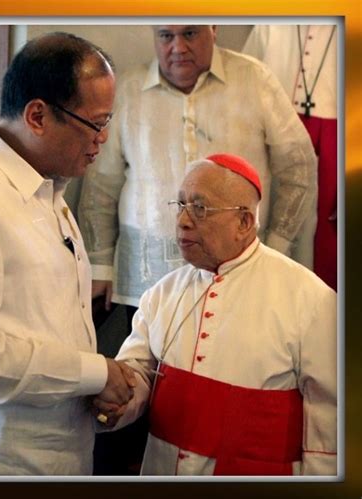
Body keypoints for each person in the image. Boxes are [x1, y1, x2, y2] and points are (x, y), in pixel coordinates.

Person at [0, 32, 137, 476]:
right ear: (37, 115)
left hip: (57, 458)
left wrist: (96, 392)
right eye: (95, 123)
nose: (104, 138)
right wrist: (95, 374)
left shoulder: (48, 191)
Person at [92, 153, 337, 476]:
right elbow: (138, 373)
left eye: (200, 208)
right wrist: (116, 400)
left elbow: (331, 416)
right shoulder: (163, 293)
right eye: (180, 205)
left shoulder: (311, 300)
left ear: (244, 222)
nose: (182, 220)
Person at [78, 24, 317, 315]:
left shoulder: (254, 79)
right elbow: (101, 185)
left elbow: (299, 167)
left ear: (213, 29)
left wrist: (276, 247)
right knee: (147, 361)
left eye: (190, 34)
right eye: (166, 36)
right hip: (147, 279)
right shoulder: (127, 89)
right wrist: (100, 264)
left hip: (238, 273)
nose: (178, 48)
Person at [242, 24, 338, 291]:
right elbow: (244, 85)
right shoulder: (271, 23)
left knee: (326, 250)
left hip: (339, 144)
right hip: (273, 137)